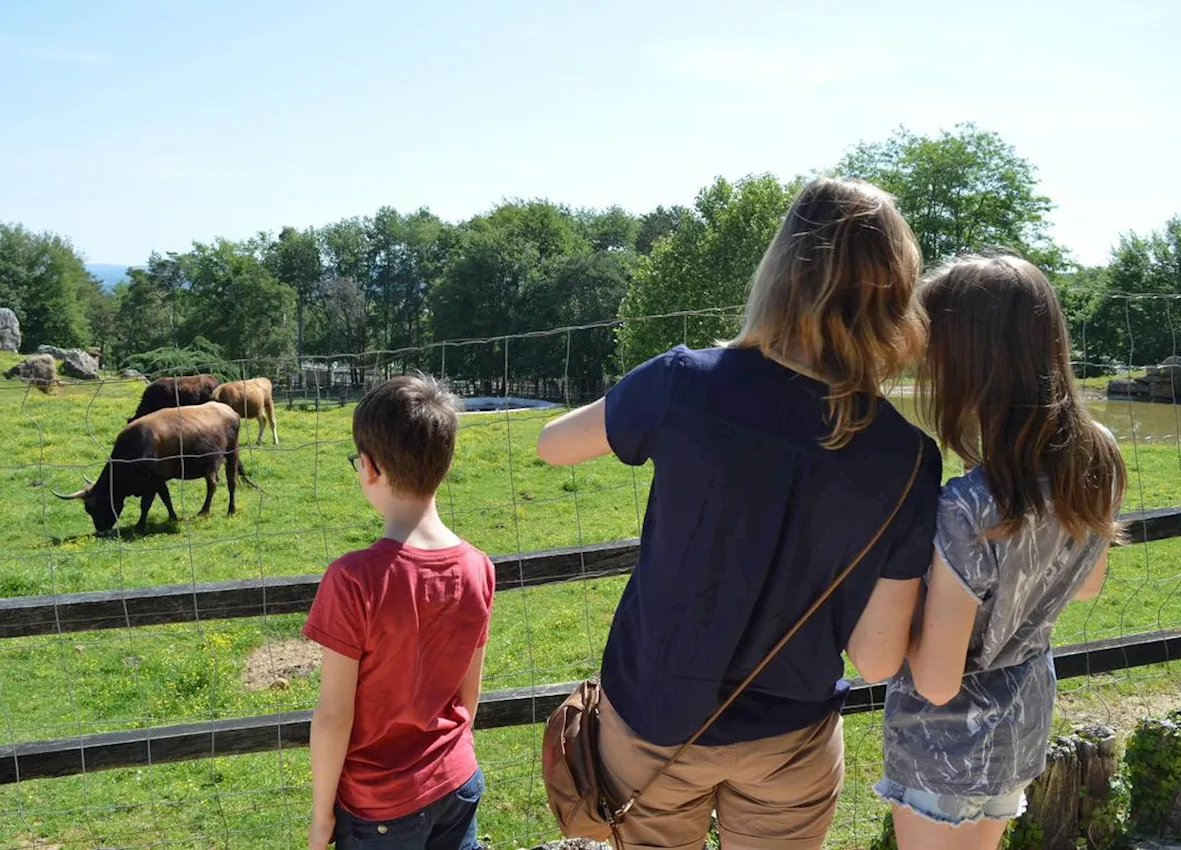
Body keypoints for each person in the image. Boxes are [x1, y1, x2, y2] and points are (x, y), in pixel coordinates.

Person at [536, 177, 942, 850]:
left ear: (783, 270)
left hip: (653, 725)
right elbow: (875, 660)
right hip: (792, 740)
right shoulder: (908, 459)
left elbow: (554, 445)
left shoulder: (684, 383)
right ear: (896, 295)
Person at [877, 254, 1125, 850]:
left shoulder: (969, 506)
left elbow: (937, 681)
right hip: (1023, 716)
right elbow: (1086, 584)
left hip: (942, 742)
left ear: (970, 364)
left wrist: (900, 609)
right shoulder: (1098, 457)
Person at [303, 374, 495, 850]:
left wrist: (322, 816)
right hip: (457, 780)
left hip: (380, 807)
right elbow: (467, 702)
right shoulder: (477, 567)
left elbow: (333, 717)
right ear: (444, 465)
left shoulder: (353, 579)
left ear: (369, 467)